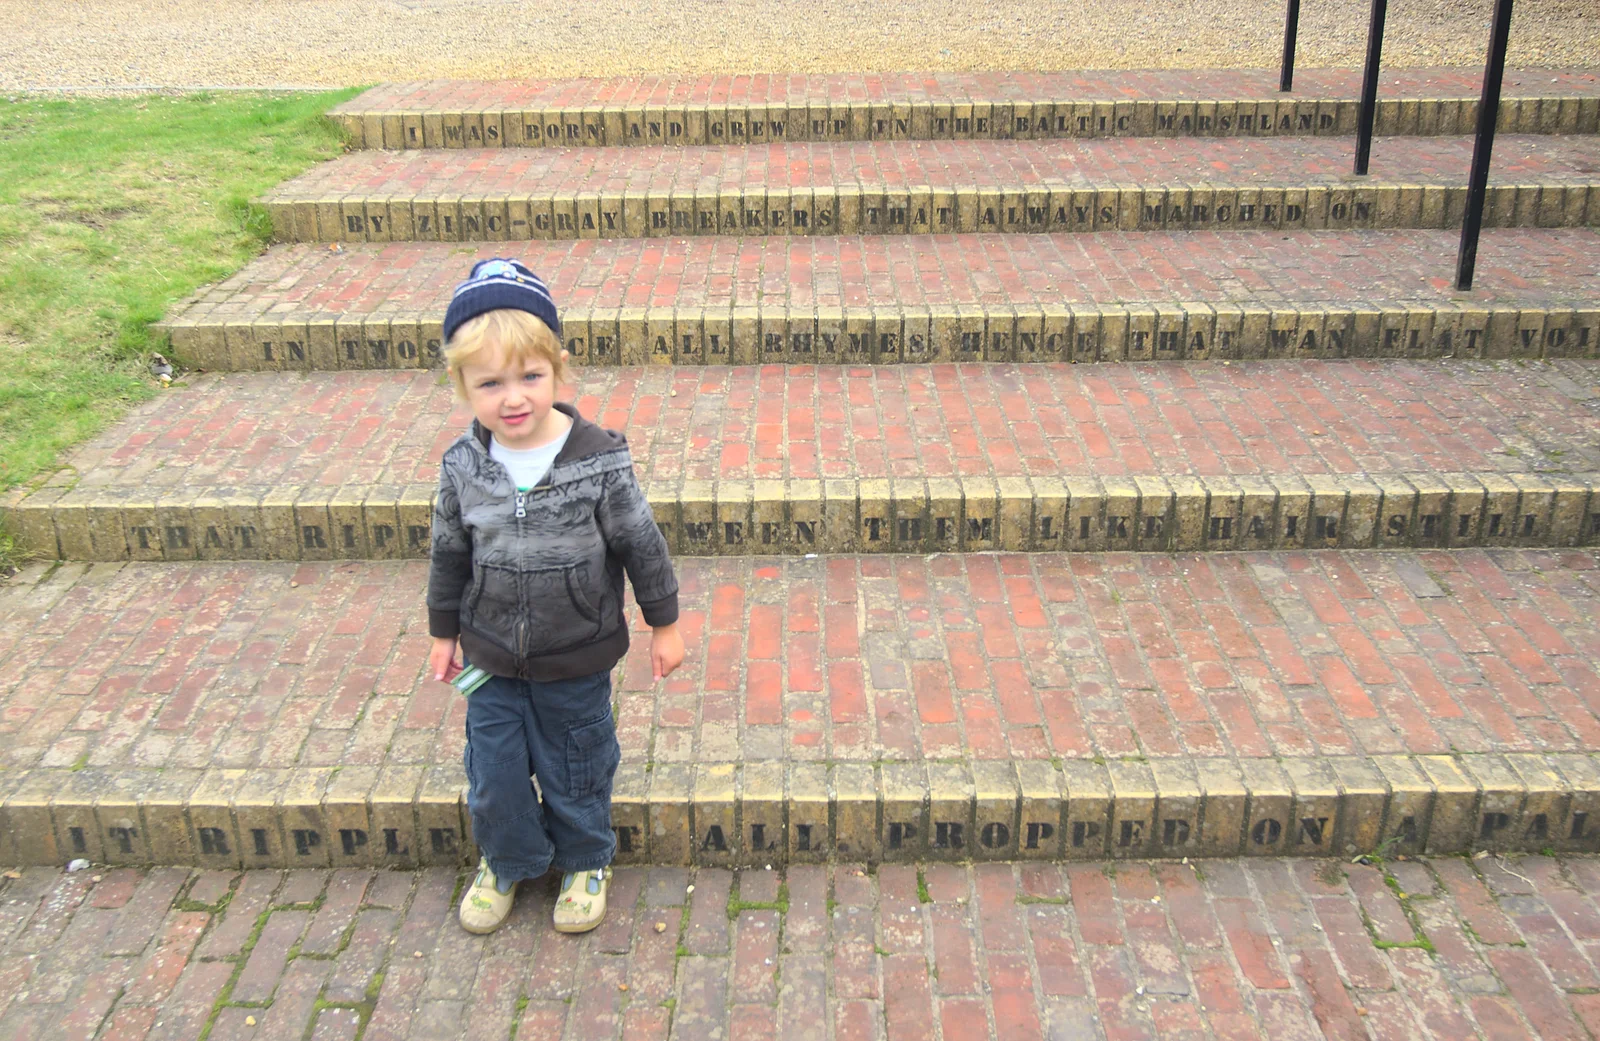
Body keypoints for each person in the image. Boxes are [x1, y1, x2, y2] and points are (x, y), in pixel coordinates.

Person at [425, 258, 684, 935]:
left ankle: (585, 858)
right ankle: (507, 860)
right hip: (489, 657)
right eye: (490, 383)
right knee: (494, 771)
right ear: (462, 386)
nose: (513, 397)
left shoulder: (598, 459)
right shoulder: (462, 465)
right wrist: (442, 629)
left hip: (576, 655)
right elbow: (449, 550)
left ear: (558, 373)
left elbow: (641, 543)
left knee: (578, 763)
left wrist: (666, 622)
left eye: (530, 377)